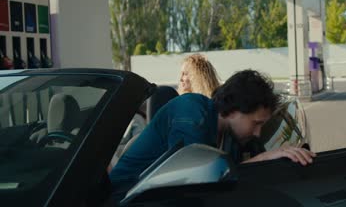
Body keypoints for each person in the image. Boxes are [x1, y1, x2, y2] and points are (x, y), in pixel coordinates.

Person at [109, 69, 315, 193]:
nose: (258, 133)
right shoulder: (191, 111)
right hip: (121, 197)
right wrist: (263, 158)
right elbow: (193, 182)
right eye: (256, 123)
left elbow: (229, 178)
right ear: (234, 110)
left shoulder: (231, 138)